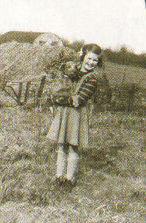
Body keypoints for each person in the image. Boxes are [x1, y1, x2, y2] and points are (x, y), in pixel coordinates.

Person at [46, 43, 103, 188]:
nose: (91, 63)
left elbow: (78, 100)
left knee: (73, 146)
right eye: (89, 59)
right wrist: (53, 97)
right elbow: (57, 84)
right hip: (64, 113)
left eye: (95, 60)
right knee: (61, 145)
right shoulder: (71, 69)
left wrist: (57, 99)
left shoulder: (92, 79)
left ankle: (69, 179)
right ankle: (59, 176)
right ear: (83, 56)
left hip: (77, 114)